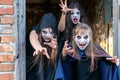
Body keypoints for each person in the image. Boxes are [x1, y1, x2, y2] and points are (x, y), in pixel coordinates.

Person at [26, 13, 58, 80]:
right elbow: (33, 37)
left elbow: (53, 61)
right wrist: (38, 47)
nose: (47, 36)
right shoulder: (35, 30)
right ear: (40, 31)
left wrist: (54, 49)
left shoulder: (57, 38)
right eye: (44, 32)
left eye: (51, 32)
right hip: (34, 73)